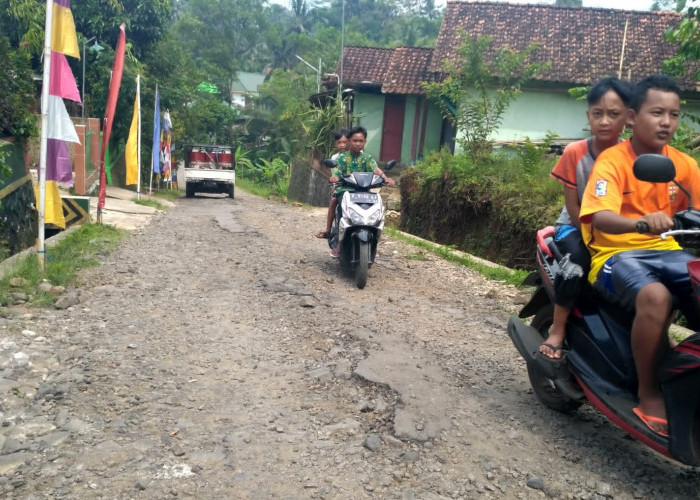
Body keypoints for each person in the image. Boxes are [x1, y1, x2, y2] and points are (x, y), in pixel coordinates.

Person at [579, 74, 700, 437]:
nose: (666, 122)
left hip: (667, 251)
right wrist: (641, 224)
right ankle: (648, 392)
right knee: (656, 296)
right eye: (657, 112)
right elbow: (599, 216)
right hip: (615, 254)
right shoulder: (612, 162)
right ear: (632, 117)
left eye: (674, 115)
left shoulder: (684, 165)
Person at [539, 77, 632, 359]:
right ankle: (557, 329)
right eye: (598, 113)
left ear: (628, 117)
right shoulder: (574, 152)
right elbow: (575, 208)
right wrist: (600, 237)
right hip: (574, 227)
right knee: (577, 264)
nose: (605, 121)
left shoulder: (633, 155)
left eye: (613, 114)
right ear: (588, 116)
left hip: (617, 230)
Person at [327, 126, 395, 257]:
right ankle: (339, 244)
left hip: (364, 191)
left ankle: (374, 241)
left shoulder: (367, 158)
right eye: (355, 140)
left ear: (365, 142)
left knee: (377, 211)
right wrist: (334, 178)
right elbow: (336, 171)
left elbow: (375, 169)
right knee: (341, 208)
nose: (358, 143)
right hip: (345, 190)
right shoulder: (341, 158)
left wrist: (386, 178)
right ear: (349, 141)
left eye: (361, 141)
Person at [316, 129, 349, 240]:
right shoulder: (335, 158)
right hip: (342, 187)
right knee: (333, 200)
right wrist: (334, 181)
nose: (342, 145)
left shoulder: (360, 156)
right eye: (339, 142)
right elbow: (335, 175)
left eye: (344, 142)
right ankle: (328, 229)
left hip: (358, 188)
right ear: (335, 144)